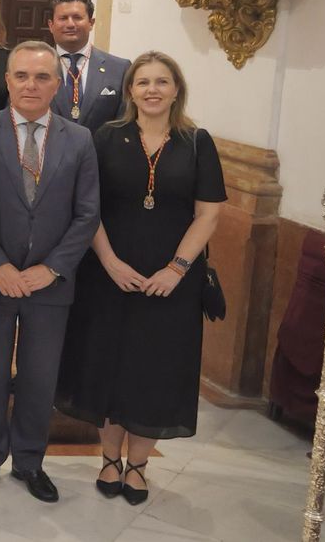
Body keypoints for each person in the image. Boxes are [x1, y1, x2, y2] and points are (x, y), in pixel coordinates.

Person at [56, 52, 225, 506]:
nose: (152, 90)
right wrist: (109, 261)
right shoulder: (106, 137)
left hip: (172, 282)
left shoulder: (196, 142)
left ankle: (138, 466)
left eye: (162, 82)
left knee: (154, 369)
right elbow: (87, 207)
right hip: (108, 274)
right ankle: (109, 459)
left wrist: (176, 269)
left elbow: (208, 214)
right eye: (143, 81)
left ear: (176, 89)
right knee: (107, 364)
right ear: (129, 89)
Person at [0, 40, 99, 503]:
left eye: (42, 77)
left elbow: (87, 214)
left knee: (41, 375)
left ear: (57, 84)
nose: (31, 85)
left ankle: (29, 461)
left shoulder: (79, 139)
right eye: (21, 75)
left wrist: (53, 268)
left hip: (50, 283)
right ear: (7, 80)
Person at [46, 0, 130, 132]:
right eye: (63, 18)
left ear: (91, 23)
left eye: (77, 17)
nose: (70, 24)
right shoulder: (34, 68)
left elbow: (125, 121)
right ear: (51, 25)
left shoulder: (119, 69)